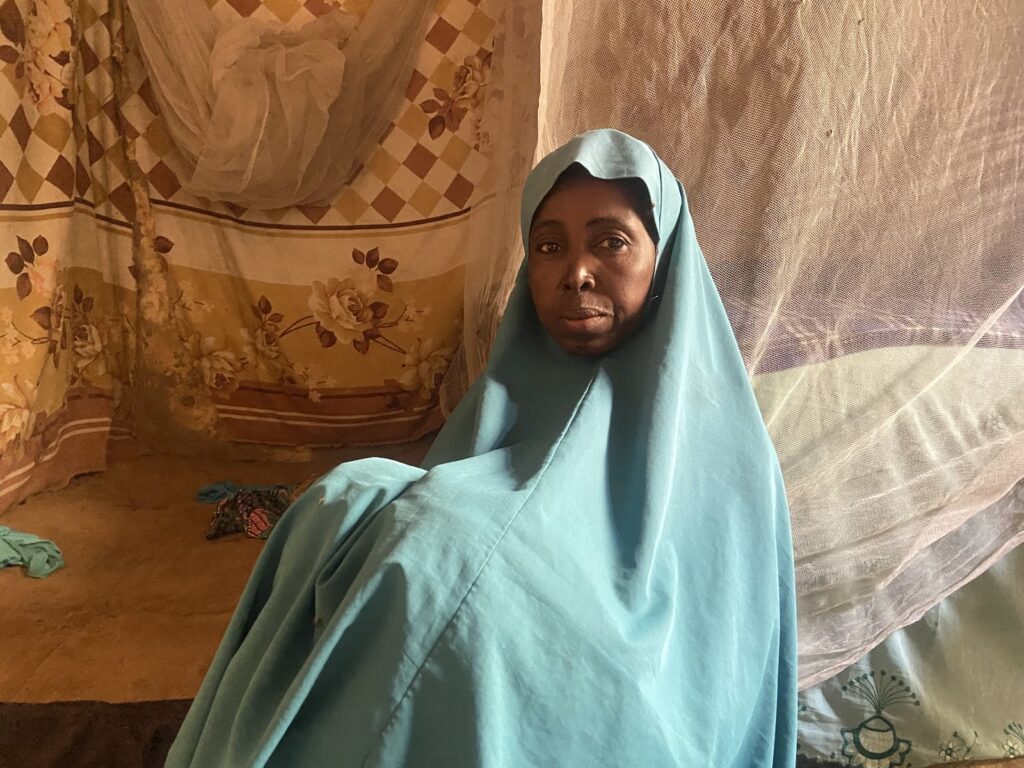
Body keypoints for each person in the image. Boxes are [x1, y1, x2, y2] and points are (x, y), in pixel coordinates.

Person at [166, 129, 797, 767]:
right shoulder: (511, 389)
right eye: (549, 246)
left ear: (663, 257)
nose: (576, 273)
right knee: (344, 505)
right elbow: (465, 495)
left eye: (611, 242)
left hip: (617, 682)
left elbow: (712, 654)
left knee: (433, 549)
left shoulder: (723, 444)